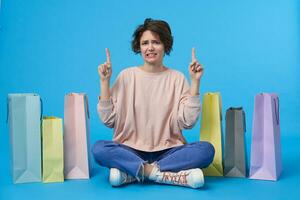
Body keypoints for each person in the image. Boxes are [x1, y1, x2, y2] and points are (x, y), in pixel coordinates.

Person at [92, 18, 215, 189]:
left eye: (156, 42)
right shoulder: (126, 76)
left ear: (165, 45)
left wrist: (194, 82)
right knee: (99, 149)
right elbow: (108, 121)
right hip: (129, 149)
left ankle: (134, 173)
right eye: (145, 43)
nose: (150, 48)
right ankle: (163, 175)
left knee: (206, 150)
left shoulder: (177, 78)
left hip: (169, 151)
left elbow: (188, 123)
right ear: (139, 47)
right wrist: (104, 82)